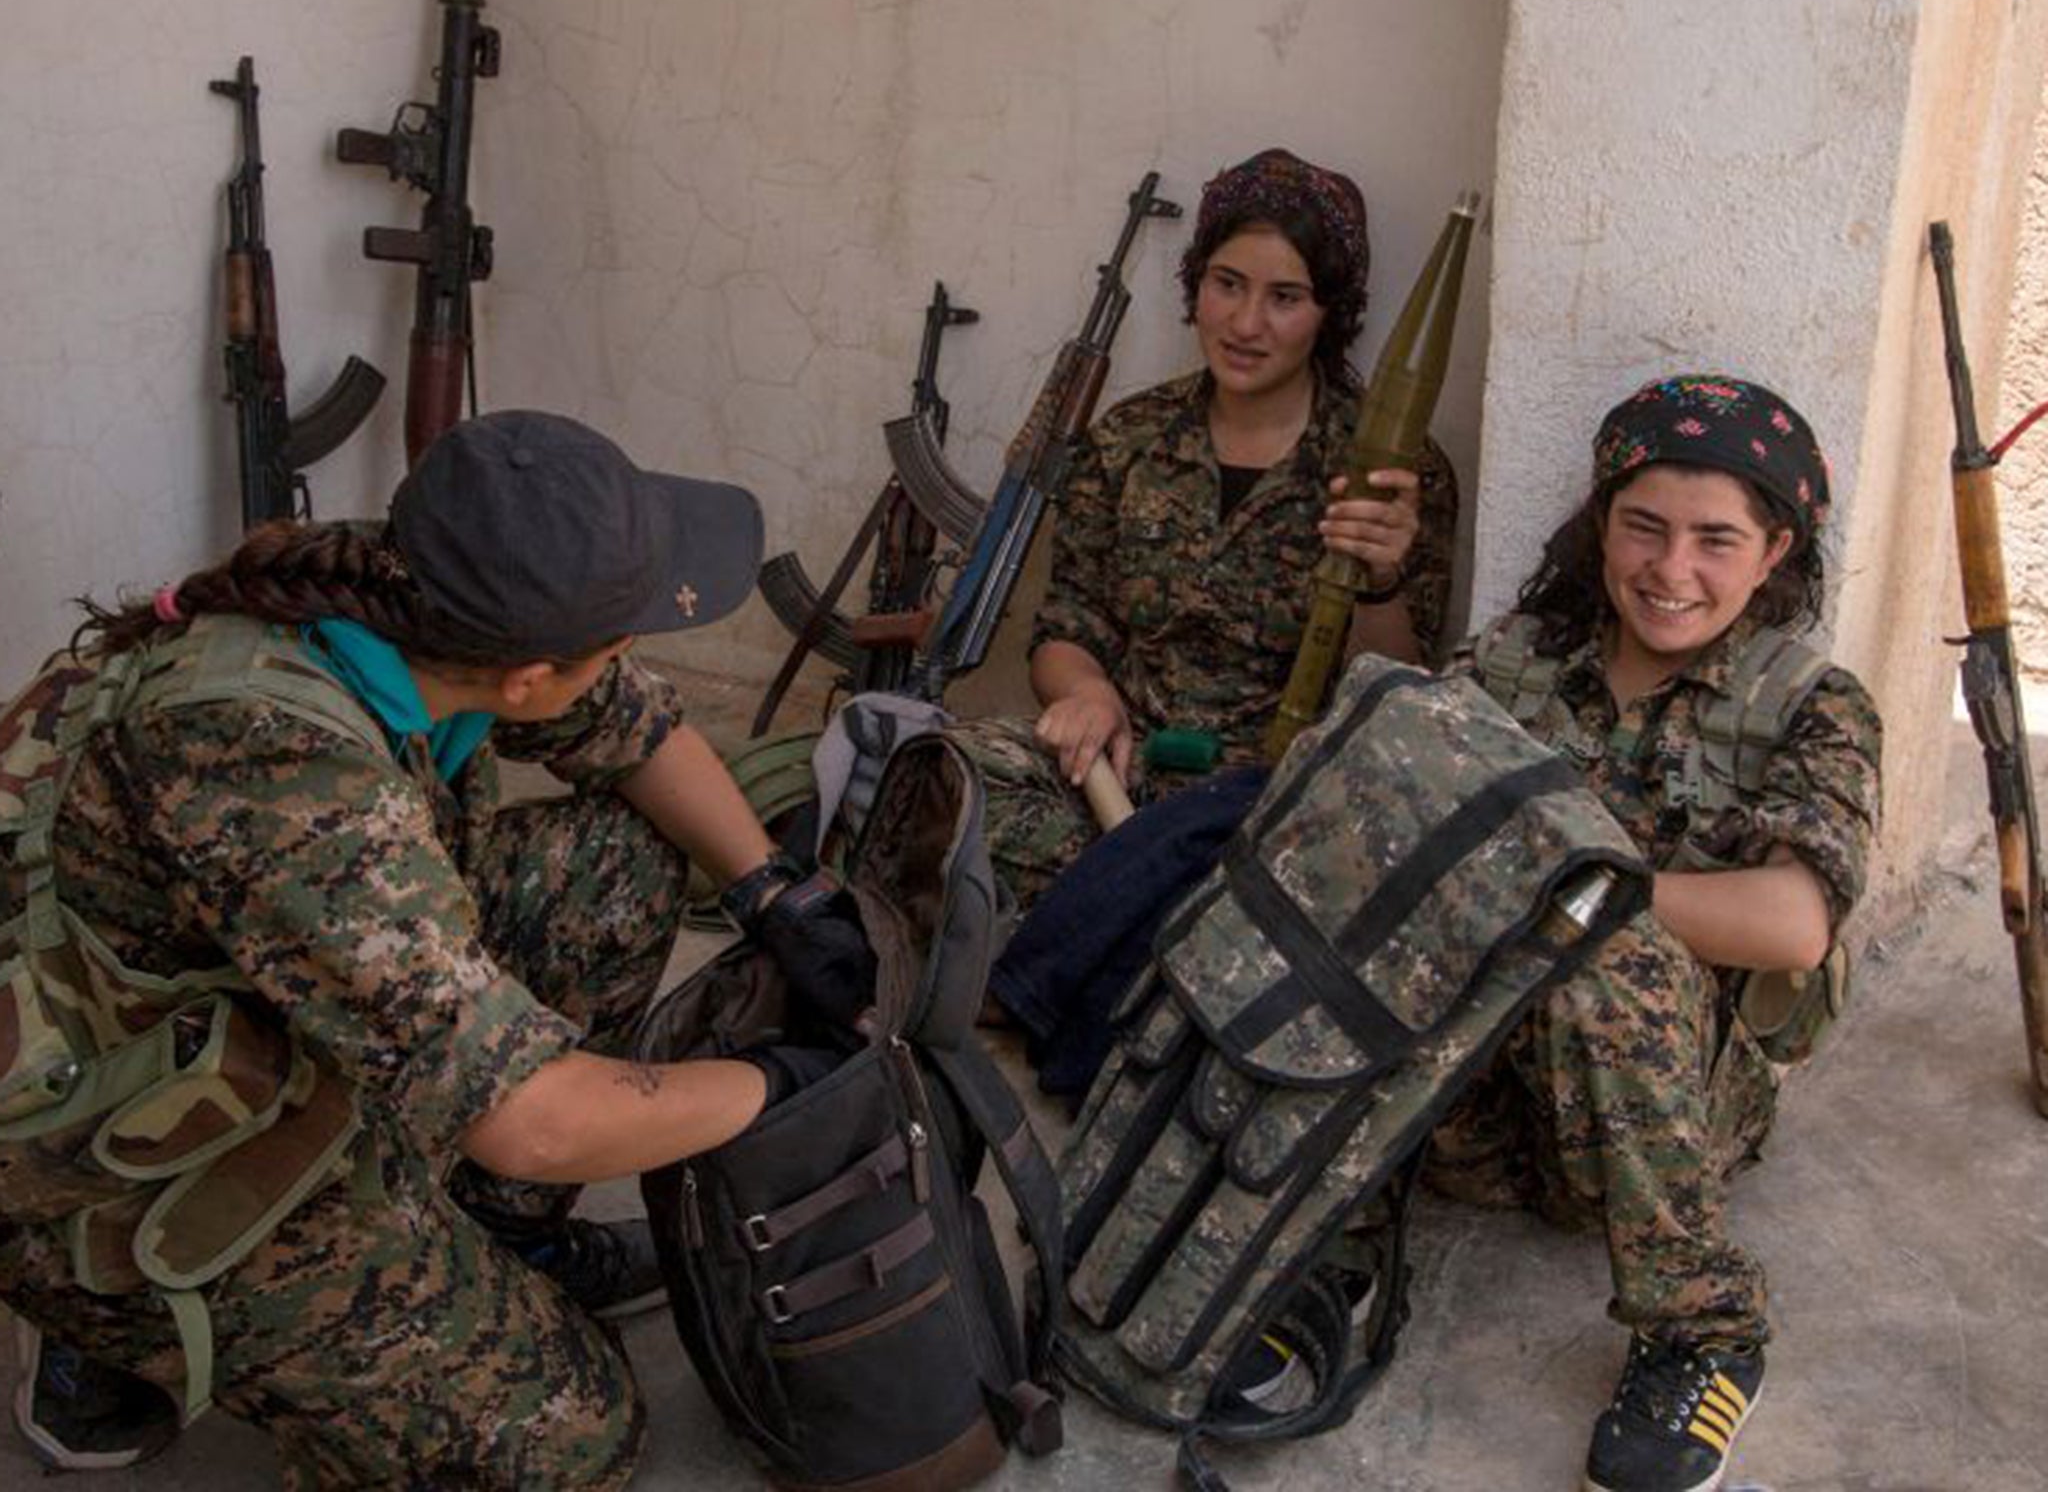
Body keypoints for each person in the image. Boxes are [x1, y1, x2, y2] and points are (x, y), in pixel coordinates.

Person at [0, 412, 870, 1487]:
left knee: (621, 856)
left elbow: (638, 732)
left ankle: (491, 1239)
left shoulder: (411, 581)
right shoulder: (281, 765)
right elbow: (535, 1121)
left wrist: (771, 890)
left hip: (251, 993)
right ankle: (101, 1325)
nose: (626, 656)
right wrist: (780, 1084)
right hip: (95, 1133)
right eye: (615, 639)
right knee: (559, 1439)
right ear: (524, 677)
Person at [1430, 374, 1882, 1492]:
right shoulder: (1519, 661)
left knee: (1605, 937)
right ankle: (1310, 1252)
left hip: (1665, 1110)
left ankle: (1702, 1330)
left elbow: (1789, 927)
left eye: (1714, 540)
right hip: (1472, 1120)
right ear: (1599, 527)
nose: (1670, 573)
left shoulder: (1810, 708)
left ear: (1773, 551)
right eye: (1642, 527)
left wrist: (1567, 889)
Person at [951, 147, 1461, 912]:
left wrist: (1381, 578)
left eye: (1285, 297)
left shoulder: (1390, 465)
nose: (1246, 323)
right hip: (1116, 778)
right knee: (934, 785)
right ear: (1198, 286)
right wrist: (1088, 694)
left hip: (1281, 799)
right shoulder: (1128, 439)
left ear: (1330, 314)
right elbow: (1068, 625)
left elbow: (1399, 695)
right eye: (1228, 285)